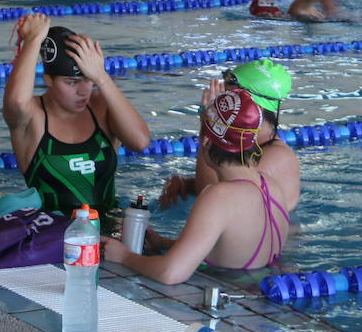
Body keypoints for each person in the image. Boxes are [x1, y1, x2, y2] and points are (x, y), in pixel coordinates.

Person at [103, 87, 296, 284]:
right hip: (262, 293)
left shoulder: (219, 196)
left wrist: (124, 256)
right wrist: (165, 244)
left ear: (205, 141)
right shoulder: (270, 185)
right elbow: (234, 251)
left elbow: (170, 273)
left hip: (230, 297)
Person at [2, 13, 150, 222]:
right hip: (49, 235)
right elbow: (16, 101)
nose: (83, 91)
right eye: (71, 82)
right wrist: (33, 40)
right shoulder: (31, 116)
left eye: (87, 80)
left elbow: (140, 142)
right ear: (48, 80)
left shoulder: (102, 106)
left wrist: (101, 77)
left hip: (108, 230)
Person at [159, 59, 300, 212]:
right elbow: (231, 184)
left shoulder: (277, 156)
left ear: (253, 105)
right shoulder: (248, 144)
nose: (222, 101)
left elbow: (210, 191)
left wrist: (209, 125)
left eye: (229, 95)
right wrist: (186, 185)